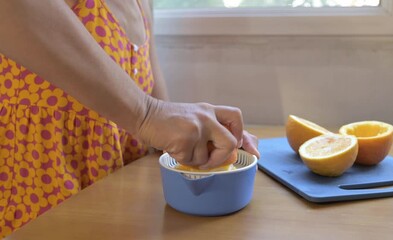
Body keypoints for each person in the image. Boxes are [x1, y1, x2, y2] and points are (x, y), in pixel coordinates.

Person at [0, 0, 260, 237]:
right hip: (35, 210)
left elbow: (160, 119)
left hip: (116, 217)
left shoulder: (142, 4)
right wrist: (147, 113)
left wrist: (206, 135)